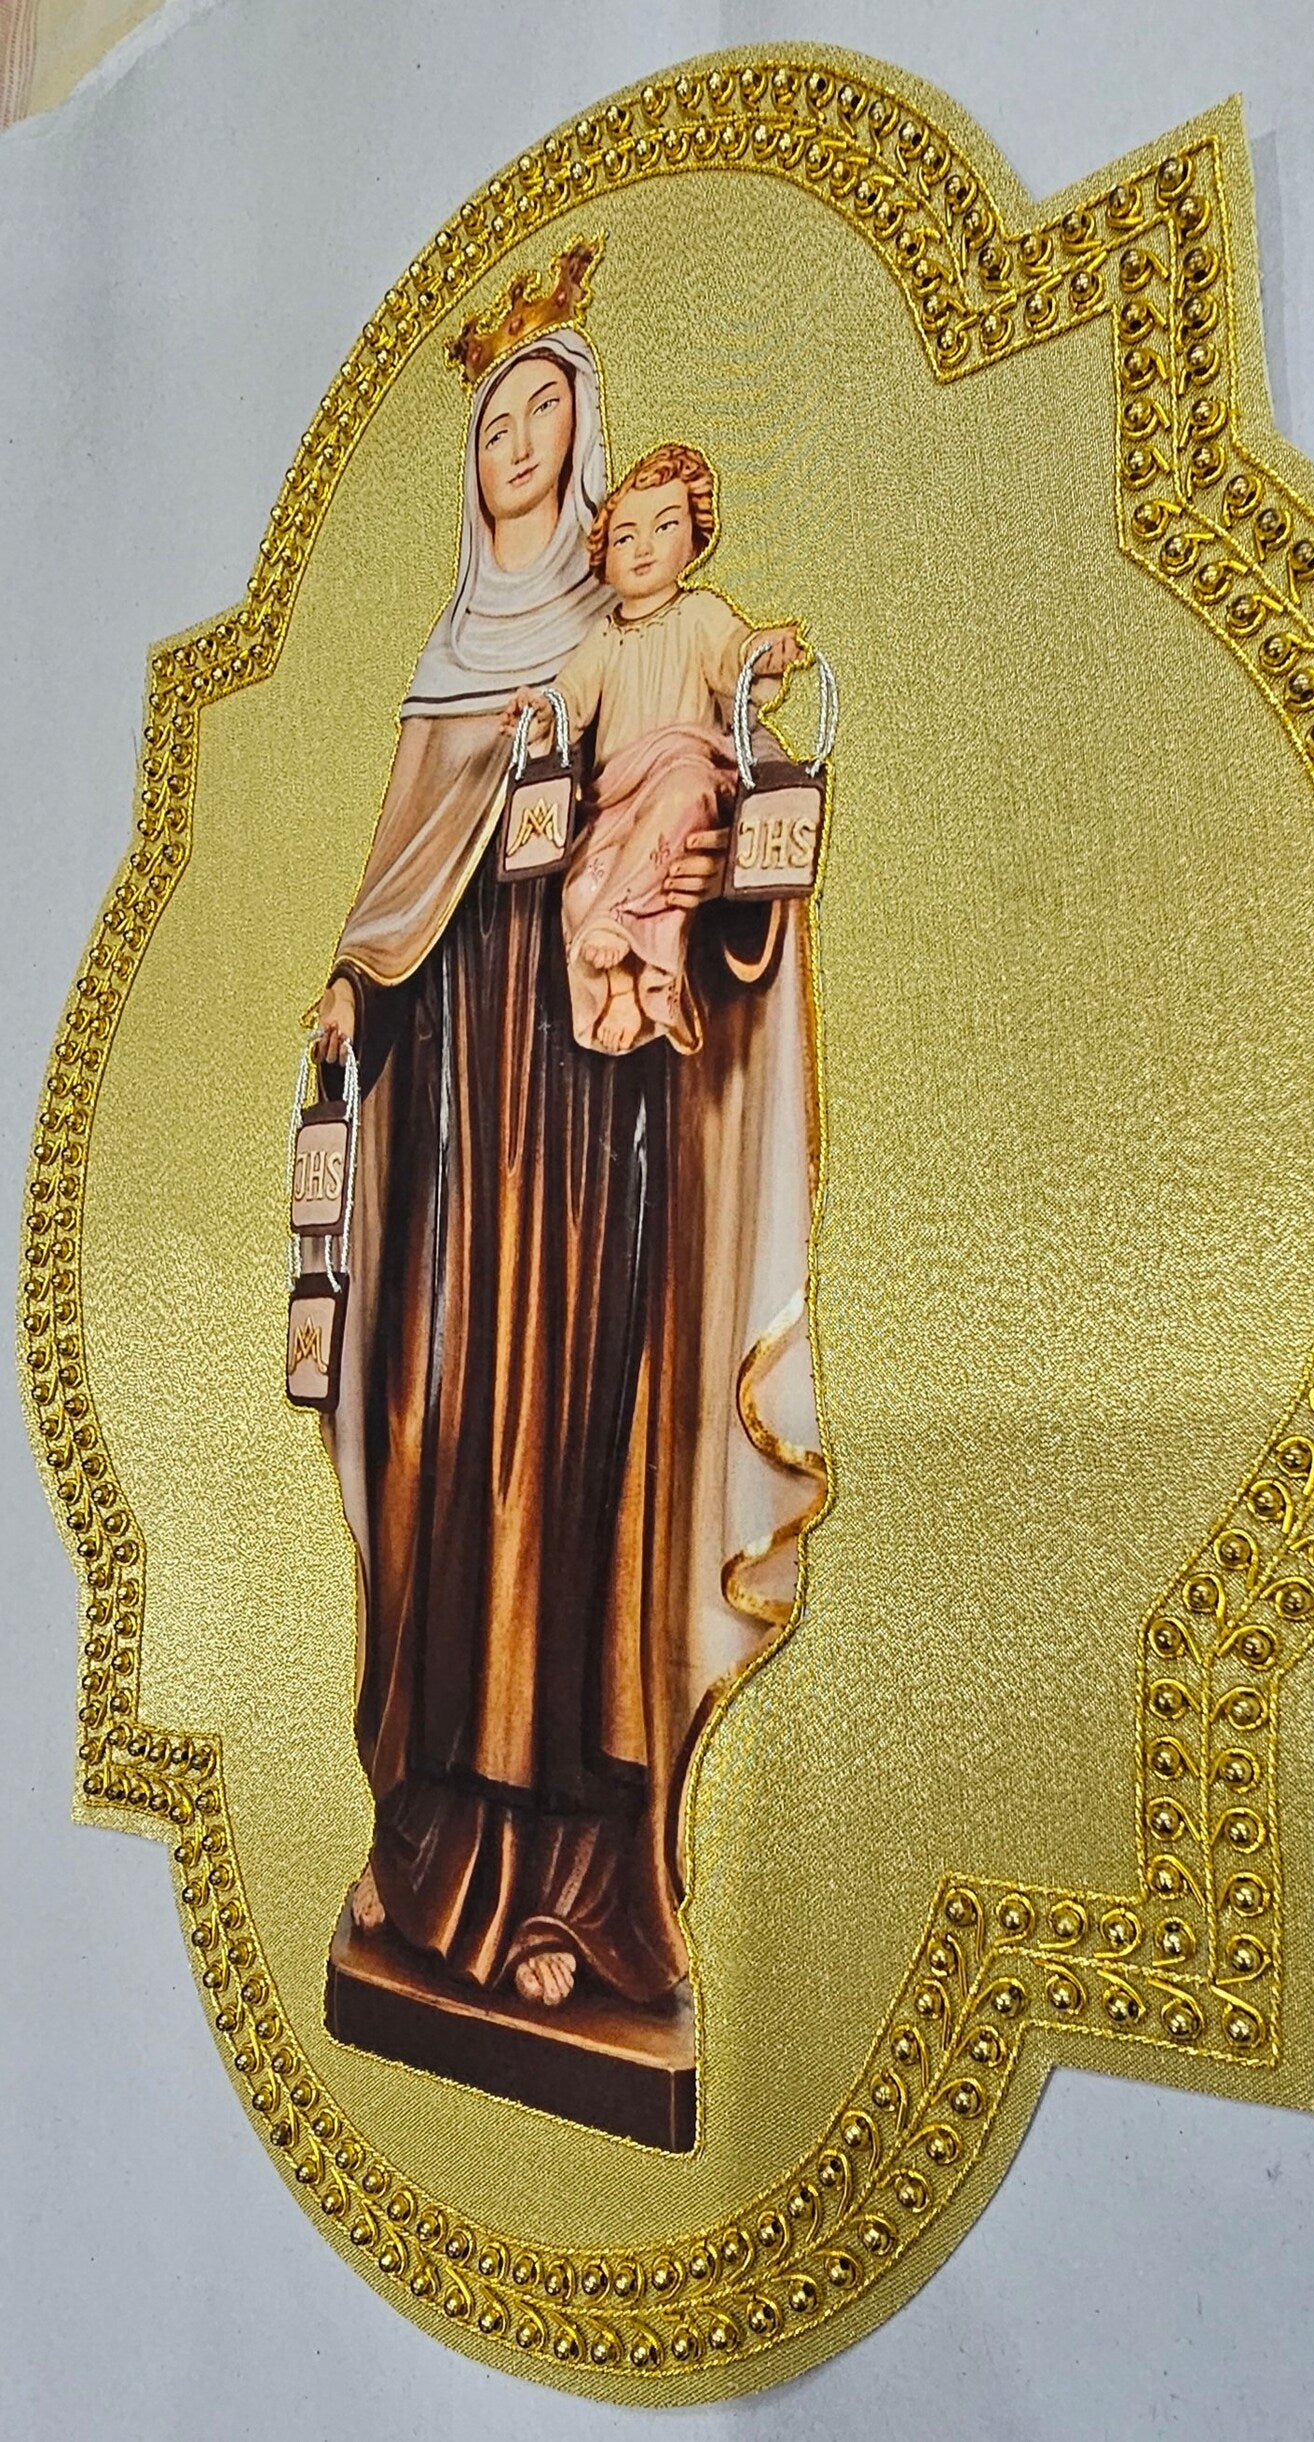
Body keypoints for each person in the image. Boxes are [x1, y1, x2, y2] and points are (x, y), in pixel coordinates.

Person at [311, 260, 821, 2021]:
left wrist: (717, 882)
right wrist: (355, 982)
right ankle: (434, 1844)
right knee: (437, 1440)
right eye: (489, 420)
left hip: (597, 1121)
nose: (512, 439)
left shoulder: (652, 639)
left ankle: (582, 1880)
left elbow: (740, 837)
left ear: (589, 442)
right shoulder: (453, 668)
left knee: (582, 1445)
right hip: (457, 1137)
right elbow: (398, 887)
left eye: (541, 408)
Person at [508, 441, 801, 1056]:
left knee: (679, 808)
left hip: (683, 769)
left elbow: (735, 656)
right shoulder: (603, 638)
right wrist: (540, 712)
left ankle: (642, 953)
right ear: (603, 557)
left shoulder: (699, 614)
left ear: (694, 539)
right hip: (616, 797)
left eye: (664, 527)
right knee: (579, 887)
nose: (642, 548)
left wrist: (762, 652)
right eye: (625, 536)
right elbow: (571, 699)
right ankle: (628, 986)